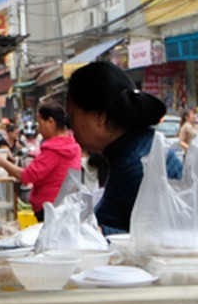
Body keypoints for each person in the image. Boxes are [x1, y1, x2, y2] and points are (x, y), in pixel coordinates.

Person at [65, 62, 181, 234]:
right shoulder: (134, 150)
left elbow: (160, 242)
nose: (71, 127)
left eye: (72, 116)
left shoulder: (136, 165)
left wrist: (97, 232)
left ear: (100, 117)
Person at [0, 104, 82, 220]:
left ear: (50, 122)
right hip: (65, 205)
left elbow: (27, 176)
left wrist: (2, 162)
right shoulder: (71, 144)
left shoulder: (54, 149)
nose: (39, 130)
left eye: (40, 124)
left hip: (49, 208)